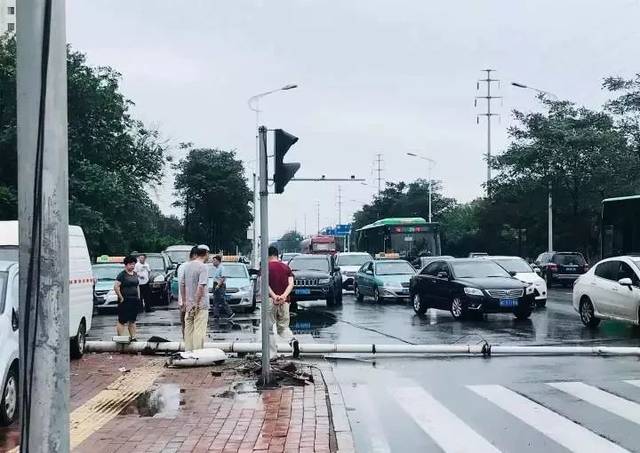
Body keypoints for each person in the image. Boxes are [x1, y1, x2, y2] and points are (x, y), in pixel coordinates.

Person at [267, 245, 299, 358]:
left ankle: (272, 354)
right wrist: (284, 296)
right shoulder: (286, 267)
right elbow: (291, 283)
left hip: (270, 301)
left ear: (268, 255)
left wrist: (275, 296)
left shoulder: (266, 267)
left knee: (268, 328)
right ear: (277, 255)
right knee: (283, 327)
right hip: (285, 302)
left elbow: (265, 284)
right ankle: (292, 340)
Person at [180, 245, 210, 351]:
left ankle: (188, 351)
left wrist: (184, 301)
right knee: (199, 330)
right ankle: (197, 353)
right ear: (206, 253)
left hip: (188, 304)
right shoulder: (203, 267)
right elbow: (201, 286)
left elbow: (182, 284)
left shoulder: (187, 266)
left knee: (188, 329)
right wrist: (196, 303)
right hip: (200, 304)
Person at [114, 255, 141, 340]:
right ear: (126, 265)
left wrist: (139, 297)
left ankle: (133, 337)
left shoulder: (135, 274)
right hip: (125, 300)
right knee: (122, 320)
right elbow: (116, 286)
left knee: (132, 320)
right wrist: (121, 297)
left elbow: (137, 286)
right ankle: (121, 338)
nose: (132, 266)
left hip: (134, 300)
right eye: (130, 264)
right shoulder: (122, 275)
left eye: (133, 264)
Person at [177, 246, 198, 338]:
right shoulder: (186, 267)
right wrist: (183, 301)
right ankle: (187, 343)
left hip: (189, 300)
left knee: (189, 324)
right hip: (187, 300)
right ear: (194, 255)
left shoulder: (184, 266)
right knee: (187, 323)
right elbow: (183, 284)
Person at [211, 255, 234, 320]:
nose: (213, 262)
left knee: (222, 300)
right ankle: (216, 315)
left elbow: (223, 278)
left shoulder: (222, 268)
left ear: (218, 261)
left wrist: (218, 285)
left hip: (220, 285)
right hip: (216, 284)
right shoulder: (217, 268)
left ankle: (230, 313)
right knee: (215, 301)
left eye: (214, 260)